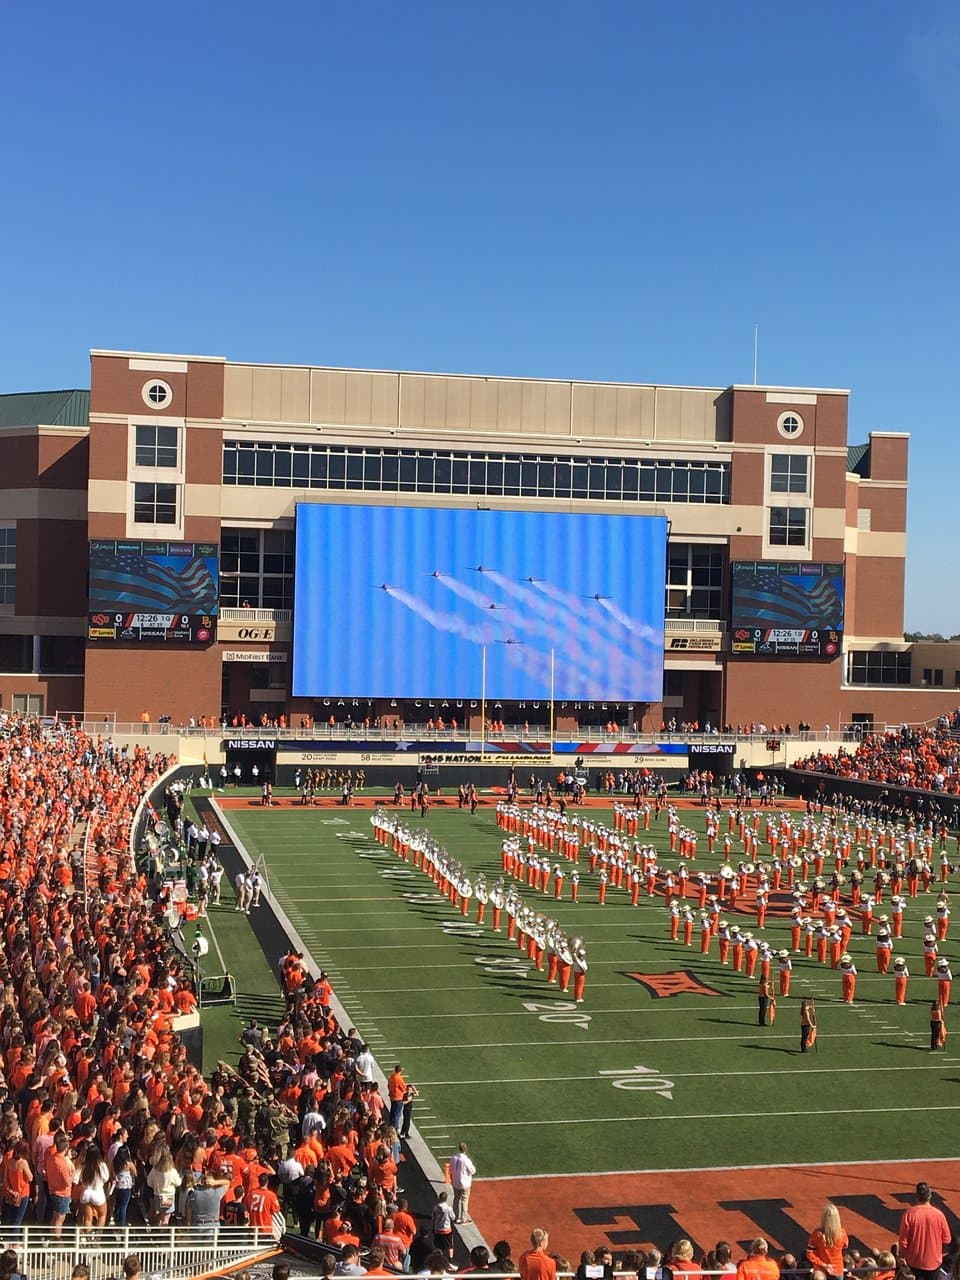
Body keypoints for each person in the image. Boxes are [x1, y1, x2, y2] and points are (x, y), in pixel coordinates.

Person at [899, 1181, 951, 1280]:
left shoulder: (909, 1214)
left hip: (914, 1265)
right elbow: (946, 1240)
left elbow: (903, 1242)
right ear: (930, 1195)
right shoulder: (939, 1215)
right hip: (934, 1265)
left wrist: (902, 1258)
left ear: (917, 1195)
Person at [806, 1203, 848, 1280]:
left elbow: (810, 1254)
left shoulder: (817, 1234)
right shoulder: (842, 1233)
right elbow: (845, 1246)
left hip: (821, 1271)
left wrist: (824, 1265)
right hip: (837, 1269)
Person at [448, 1142, 476, 1224]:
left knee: (456, 1199)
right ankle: (463, 1218)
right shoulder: (466, 1160)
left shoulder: (453, 1157)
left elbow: (450, 1169)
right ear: (465, 1150)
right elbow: (473, 1170)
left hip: (455, 1182)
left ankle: (456, 1217)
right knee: (464, 1200)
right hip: (465, 1183)